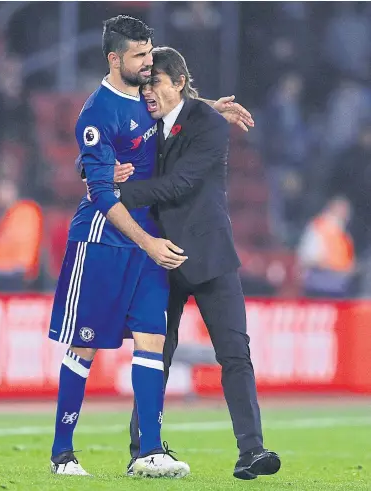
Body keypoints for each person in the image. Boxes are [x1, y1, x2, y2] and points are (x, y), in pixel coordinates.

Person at [112, 47, 281, 480]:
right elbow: (117, 113)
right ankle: (143, 449)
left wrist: (115, 196)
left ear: (179, 83)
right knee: (155, 356)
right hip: (160, 259)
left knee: (234, 355)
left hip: (208, 256)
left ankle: (252, 452)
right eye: (146, 83)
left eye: (156, 83)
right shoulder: (149, 122)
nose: (148, 91)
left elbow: (183, 183)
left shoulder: (209, 125)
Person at [48, 15, 190, 478]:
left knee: (152, 338)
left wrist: (209, 108)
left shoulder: (148, 97)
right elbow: (102, 196)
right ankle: (62, 454)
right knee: (83, 348)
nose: (149, 63)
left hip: (145, 243)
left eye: (150, 54)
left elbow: (174, 99)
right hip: (103, 243)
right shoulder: (97, 114)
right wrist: (150, 242)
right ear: (115, 59)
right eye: (140, 56)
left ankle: (149, 450)